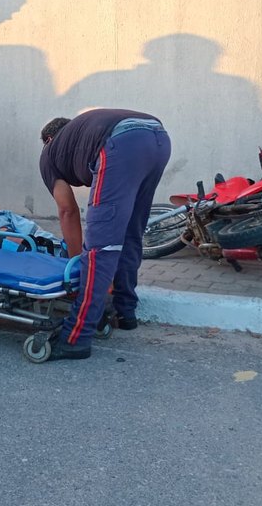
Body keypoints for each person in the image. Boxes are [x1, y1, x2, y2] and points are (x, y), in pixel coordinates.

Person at [35, 109, 171, 360]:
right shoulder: (83, 132)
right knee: (131, 232)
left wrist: (77, 262)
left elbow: (67, 210)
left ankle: (76, 337)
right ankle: (125, 311)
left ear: (48, 140)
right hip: (158, 138)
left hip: (120, 143)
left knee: (100, 248)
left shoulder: (49, 154)